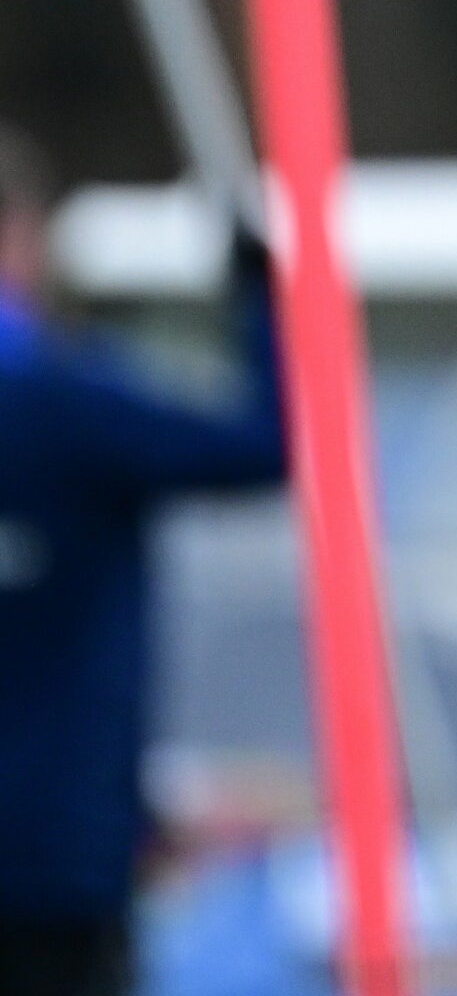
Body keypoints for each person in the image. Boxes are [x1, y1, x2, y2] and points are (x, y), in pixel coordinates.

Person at [0, 126, 286, 996]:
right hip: (56, 863)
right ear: (22, 236)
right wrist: (260, 301)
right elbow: (263, 444)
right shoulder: (68, 402)